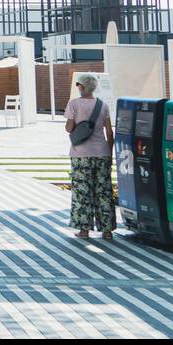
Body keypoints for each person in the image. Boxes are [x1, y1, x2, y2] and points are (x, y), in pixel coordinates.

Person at [65, 75, 115, 240]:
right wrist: (109, 152)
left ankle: (84, 230)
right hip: (102, 153)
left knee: (82, 192)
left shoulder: (74, 104)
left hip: (81, 154)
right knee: (104, 191)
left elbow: (69, 128)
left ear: (81, 87)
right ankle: (107, 231)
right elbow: (109, 132)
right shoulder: (103, 105)